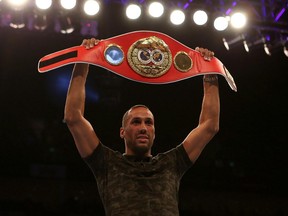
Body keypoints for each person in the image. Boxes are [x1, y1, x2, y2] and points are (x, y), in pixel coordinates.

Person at [64, 38, 219, 216]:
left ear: (154, 132)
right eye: (136, 122)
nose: (143, 127)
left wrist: (210, 73)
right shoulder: (106, 163)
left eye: (148, 122)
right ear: (122, 132)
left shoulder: (171, 164)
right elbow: (73, 117)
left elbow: (210, 126)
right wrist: (84, 60)